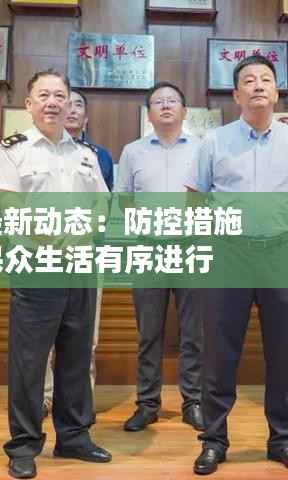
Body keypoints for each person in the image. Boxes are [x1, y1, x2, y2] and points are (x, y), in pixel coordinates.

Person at [0, 69, 112, 479]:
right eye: (44, 95)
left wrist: (82, 230)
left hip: (80, 264)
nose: (53, 102)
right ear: (29, 104)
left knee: (76, 354)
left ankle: (74, 437)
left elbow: (102, 204)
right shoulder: (12, 150)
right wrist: (49, 234)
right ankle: (24, 445)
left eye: (60, 95)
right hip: (36, 263)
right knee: (30, 360)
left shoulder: (84, 154)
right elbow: (6, 202)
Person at [186, 55, 288, 475]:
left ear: (277, 91)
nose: (258, 85)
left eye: (266, 79)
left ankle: (281, 439)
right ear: (236, 94)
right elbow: (194, 198)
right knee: (219, 353)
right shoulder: (215, 142)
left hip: (280, 254)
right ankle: (214, 440)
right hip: (228, 255)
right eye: (249, 80)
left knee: (283, 353)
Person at [115, 82, 204, 433]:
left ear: (184, 110)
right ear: (149, 113)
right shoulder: (133, 151)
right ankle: (147, 404)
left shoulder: (203, 148)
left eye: (172, 101)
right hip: (148, 248)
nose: (166, 106)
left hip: (192, 247)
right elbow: (124, 198)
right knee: (148, 332)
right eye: (158, 102)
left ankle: (193, 402)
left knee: (194, 333)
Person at [43, 89, 114, 421]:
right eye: (66, 103)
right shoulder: (32, 150)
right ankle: (44, 398)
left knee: (87, 335)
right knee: (43, 335)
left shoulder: (98, 156)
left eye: (78, 105)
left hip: (87, 254)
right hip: (43, 254)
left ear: (86, 117)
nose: (71, 109)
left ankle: (79, 401)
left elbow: (105, 205)